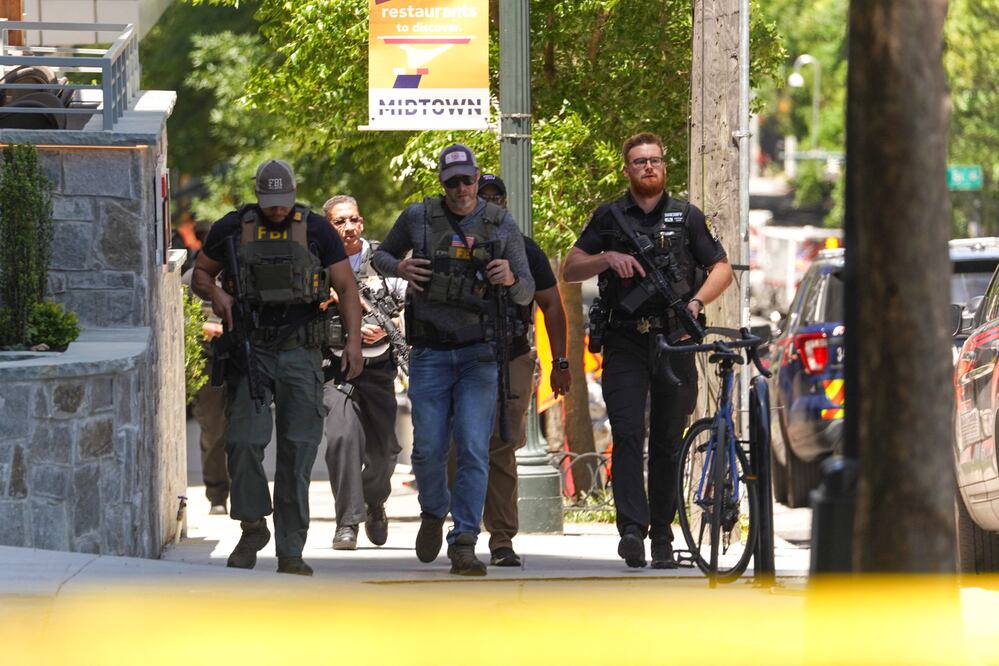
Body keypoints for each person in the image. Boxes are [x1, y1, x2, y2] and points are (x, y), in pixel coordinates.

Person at [562, 132, 733, 569]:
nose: (649, 168)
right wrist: (606, 260)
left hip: (674, 339)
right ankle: (632, 532)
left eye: (655, 160)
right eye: (639, 162)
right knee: (627, 434)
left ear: (664, 166)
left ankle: (662, 533)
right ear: (627, 169)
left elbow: (721, 267)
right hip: (624, 341)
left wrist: (696, 302)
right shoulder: (610, 217)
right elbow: (570, 266)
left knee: (667, 442)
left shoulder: (686, 216)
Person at [191, 159, 362, 576]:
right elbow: (199, 274)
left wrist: (353, 342)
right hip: (250, 347)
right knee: (244, 442)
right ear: (258, 195)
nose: (278, 209)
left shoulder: (317, 228)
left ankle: (290, 549)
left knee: (297, 450)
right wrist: (217, 294)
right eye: (270, 202)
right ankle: (252, 525)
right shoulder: (232, 227)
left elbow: (346, 286)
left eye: (283, 201)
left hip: (301, 351)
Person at [373, 144, 535, 576]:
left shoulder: (500, 223)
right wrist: (401, 269)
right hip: (429, 352)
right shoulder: (419, 218)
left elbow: (526, 292)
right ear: (442, 183)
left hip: (480, 354)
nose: (460, 188)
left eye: (466, 180)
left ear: (477, 178)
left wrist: (511, 277)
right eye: (452, 181)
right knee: (427, 449)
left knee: (473, 448)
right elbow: (380, 255)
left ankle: (464, 539)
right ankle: (432, 511)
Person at [469, 173, 571, 567]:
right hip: (461, 356)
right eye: (484, 196)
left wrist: (559, 362)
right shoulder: (453, 242)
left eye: (498, 196)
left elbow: (553, 307)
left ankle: (501, 539)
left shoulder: (525, 250)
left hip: (511, 354)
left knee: (502, 443)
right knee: (456, 444)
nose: (491, 203)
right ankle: (459, 527)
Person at [321, 194, 406, 551]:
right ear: (327, 227)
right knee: (343, 439)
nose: (349, 227)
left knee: (385, 451)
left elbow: (410, 305)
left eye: (353, 219)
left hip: (379, 369)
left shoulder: (383, 261)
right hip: (334, 368)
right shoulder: (318, 261)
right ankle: (347, 523)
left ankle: (374, 502)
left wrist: (388, 328)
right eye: (339, 222)